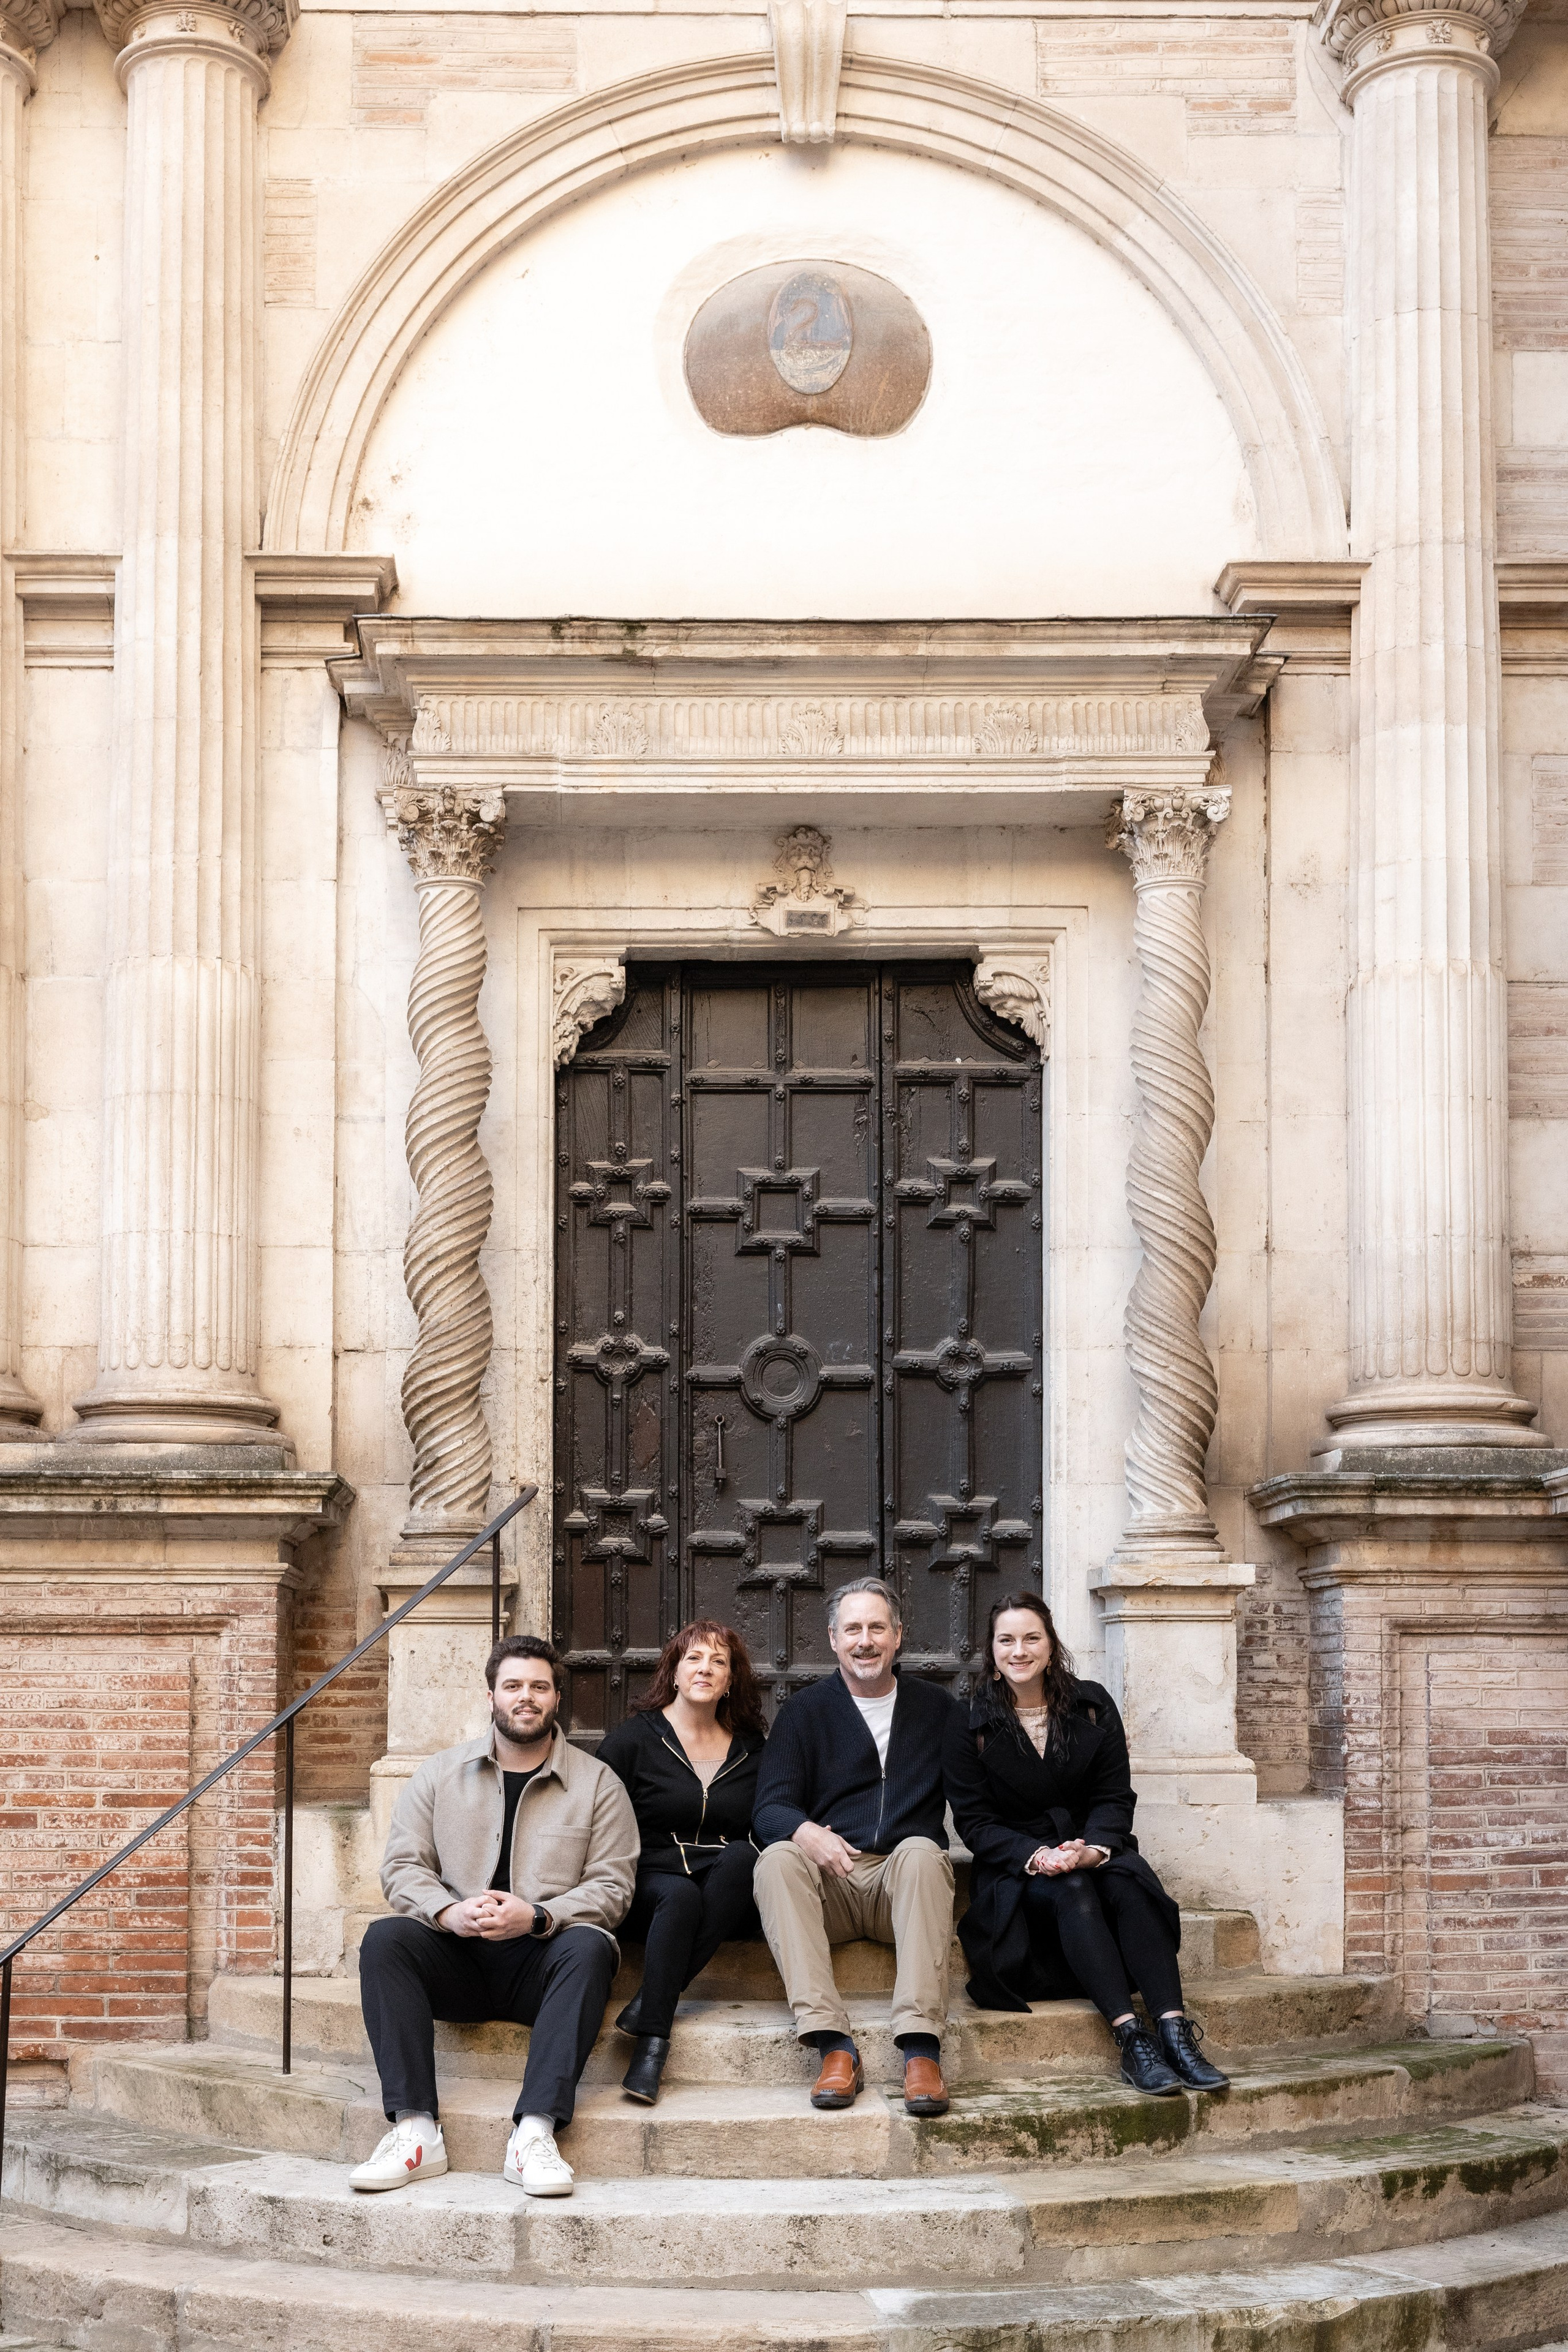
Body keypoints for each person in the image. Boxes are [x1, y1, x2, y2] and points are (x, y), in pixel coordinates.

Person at [349, 1634, 638, 2198]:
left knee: (591, 1947)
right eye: (513, 1686)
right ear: (491, 1697)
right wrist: (448, 1912)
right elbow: (402, 1868)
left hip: (543, 1966)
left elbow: (614, 1887)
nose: (525, 1697)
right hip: (457, 1960)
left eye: (539, 1687)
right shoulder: (438, 1774)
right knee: (385, 1939)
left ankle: (534, 2134)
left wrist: (538, 1916)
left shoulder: (598, 1784)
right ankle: (414, 2131)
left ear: (557, 1699)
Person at [943, 1591, 1229, 2097]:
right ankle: (1131, 2038)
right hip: (1017, 1868)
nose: (1019, 1651)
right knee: (1072, 1889)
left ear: (1051, 1645)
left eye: (1031, 1638)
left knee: (1131, 1884)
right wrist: (1038, 1856)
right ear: (992, 1650)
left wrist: (1093, 1849)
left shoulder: (1092, 1705)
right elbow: (976, 1823)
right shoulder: (969, 1724)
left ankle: (1174, 2032)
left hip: (1091, 1848)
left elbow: (1113, 1795)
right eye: (1006, 1640)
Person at [752, 1577, 957, 2117]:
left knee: (922, 1851)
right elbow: (769, 1808)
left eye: (877, 1628)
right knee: (777, 1858)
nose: (865, 1641)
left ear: (898, 1636)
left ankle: (921, 2051)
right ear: (833, 1639)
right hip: (833, 1890)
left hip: (901, 1890)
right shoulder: (805, 1711)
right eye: (853, 1630)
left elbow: (979, 1799)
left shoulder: (937, 1708)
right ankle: (833, 2045)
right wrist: (807, 1832)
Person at [597, 1619, 767, 2105]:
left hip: (723, 1892)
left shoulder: (752, 1748)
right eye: (693, 1658)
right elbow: (596, 1818)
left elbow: (769, 1817)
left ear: (731, 1680)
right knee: (679, 1894)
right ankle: (653, 2045)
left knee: (744, 1857)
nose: (705, 1669)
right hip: (649, 1882)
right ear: (674, 1672)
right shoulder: (632, 1741)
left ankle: (651, 2002)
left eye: (719, 1661)